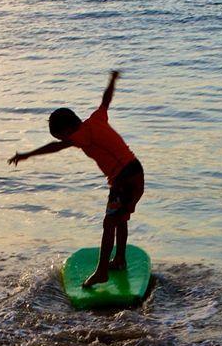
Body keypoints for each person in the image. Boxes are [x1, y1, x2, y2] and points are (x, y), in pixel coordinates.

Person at [8, 70, 143, 289]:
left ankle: (101, 272)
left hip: (123, 179)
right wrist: (112, 80)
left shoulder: (82, 133)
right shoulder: (97, 119)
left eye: (64, 136)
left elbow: (56, 147)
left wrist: (27, 154)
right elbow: (106, 100)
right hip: (136, 173)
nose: (67, 140)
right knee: (121, 218)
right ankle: (119, 260)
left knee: (110, 223)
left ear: (69, 129)